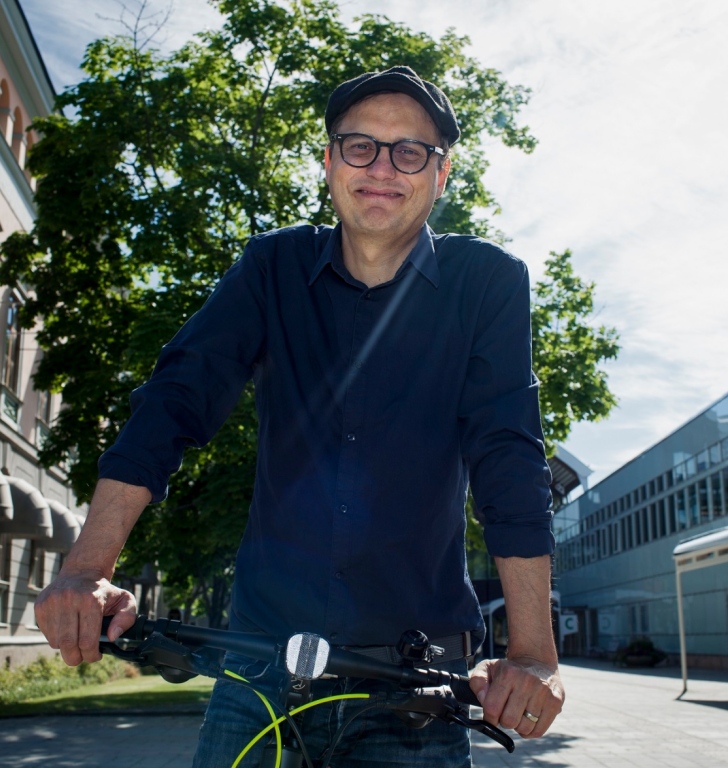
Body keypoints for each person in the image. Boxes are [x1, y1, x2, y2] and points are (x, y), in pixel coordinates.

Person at [35, 65, 564, 766]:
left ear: (441, 174)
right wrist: (86, 568)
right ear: (328, 161)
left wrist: (533, 651)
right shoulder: (271, 266)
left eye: (410, 151)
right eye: (360, 146)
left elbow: (508, 454)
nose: (382, 168)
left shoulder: (489, 283)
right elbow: (176, 399)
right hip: (258, 675)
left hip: (411, 686)